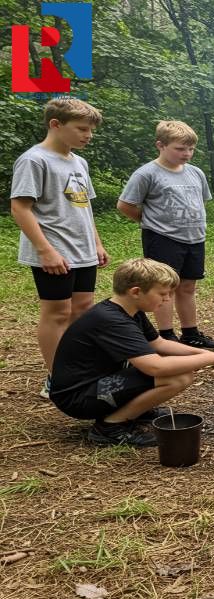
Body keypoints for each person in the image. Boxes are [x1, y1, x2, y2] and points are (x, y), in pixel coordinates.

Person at [49, 259, 214, 447]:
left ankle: (136, 411)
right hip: (77, 397)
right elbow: (155, 367)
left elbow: (159, 343)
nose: (167, 299)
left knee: (175, 366)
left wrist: (202, 354)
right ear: (136, 292)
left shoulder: (130, 310)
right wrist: (209, 358)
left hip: (97, 383)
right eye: (163, 294)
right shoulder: (113, 321)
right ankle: (110, 427)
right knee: (178, 377)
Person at [10, 98, 109, 400]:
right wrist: (45, 251)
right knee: (57, 312)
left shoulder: (79, 162)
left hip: (82, 249)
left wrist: (96, 243)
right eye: (81, 129)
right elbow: (20, 207)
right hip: (54, 250)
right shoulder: (34, 160)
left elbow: (84, 206)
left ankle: (77, 367)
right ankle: (58, 378)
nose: (88, 135)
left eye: (90, 130)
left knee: (82, 308)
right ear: (55, 124)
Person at [117, 120, 214, 350]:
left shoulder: (195, 173)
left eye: (191, 149)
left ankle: (190, 333)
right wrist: (151, 222)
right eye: (180, 149)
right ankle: (166, 335)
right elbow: (125, 205)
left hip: (194, 238)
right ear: (161, 145)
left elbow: (201, 202)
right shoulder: (147, 173)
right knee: (164, 287)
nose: (187, 154)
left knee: (188, 286)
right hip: (163, 238)